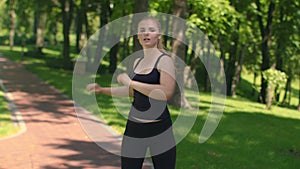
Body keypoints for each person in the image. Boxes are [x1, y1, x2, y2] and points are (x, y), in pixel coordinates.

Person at [86, 17, 176, 169]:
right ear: (138, 36)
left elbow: (166, 93)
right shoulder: (137, 62)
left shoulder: (165, 60)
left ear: (159, 35)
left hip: (159, 129)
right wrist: (102, 90)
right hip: (134, 127)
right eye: (142, 30)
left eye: (151, 30)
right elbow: (133, 92)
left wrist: (131, 82)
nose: (146, 33)